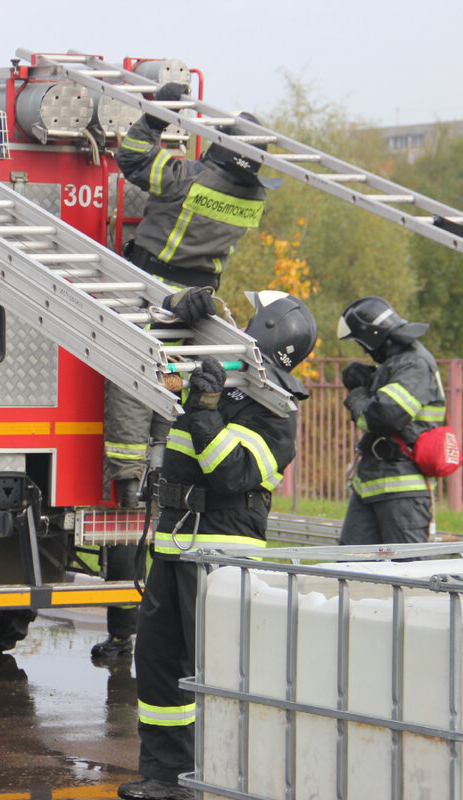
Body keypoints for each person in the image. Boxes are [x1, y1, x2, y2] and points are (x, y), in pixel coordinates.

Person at [99, 86, 284, 659]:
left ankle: (129, 474)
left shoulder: (191, 180)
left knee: (132, 378)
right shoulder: (249, 200)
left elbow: (132, 158)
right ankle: (157, 465)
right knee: (170, 393)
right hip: (199, 301)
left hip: (151, 285)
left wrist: (156, 112)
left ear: (220, 156)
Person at [118, 289, 317, 800]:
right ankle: (167, 776)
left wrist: (205, 413)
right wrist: (184, 310)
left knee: (220, 675)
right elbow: (156, 349)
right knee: (160, 665)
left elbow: (233, 476)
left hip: (221, 555)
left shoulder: (278, 411)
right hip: (173, 542)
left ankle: (226, 778)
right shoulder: (219, 374)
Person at [336, 296, 446, 545]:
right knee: (349, 567)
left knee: (406, 574)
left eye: (362, 343)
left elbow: (384, 416)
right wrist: (369, 378)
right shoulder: (399, 363)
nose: (364, 350)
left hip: (403, 490)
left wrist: (358, 395)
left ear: (375, 336)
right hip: (371, 484)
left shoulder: (414, 364)